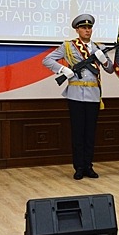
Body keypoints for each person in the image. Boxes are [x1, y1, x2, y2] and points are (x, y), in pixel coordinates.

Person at [42, 14, 114, 180]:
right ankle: (79, 167)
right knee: (77, 133)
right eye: (83, 28)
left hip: (94, 95)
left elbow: (110, 69)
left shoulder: (99, 48)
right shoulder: (68, 46)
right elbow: (47, 60)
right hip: (75, 95)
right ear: (77, 29)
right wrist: (62, 70)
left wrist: (104, 61)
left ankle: (89, 166)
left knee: (90, 133)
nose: (87, 30)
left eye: (89, 28)